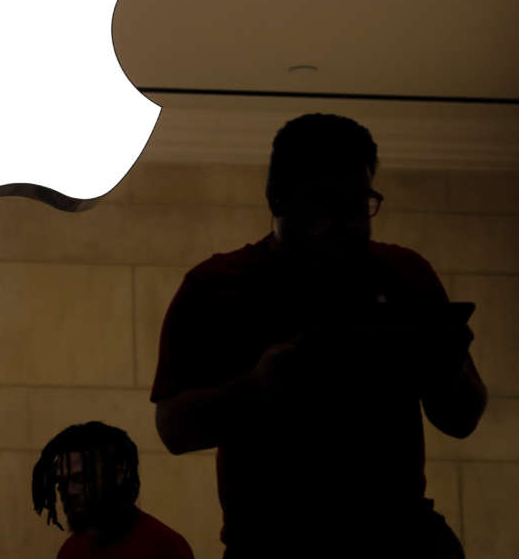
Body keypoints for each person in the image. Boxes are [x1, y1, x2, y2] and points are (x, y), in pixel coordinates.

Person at [151, 113, 487, 559]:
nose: (344, 226)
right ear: (276, 198)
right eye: (322, 206)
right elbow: (173, 429)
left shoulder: (405, 275)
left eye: (356, 205)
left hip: (398, 535)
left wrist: (441, 360)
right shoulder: (217, 288)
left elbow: (463, 415)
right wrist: (257, 389)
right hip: (275, 541)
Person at [33, 421, 195, 559]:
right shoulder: (72, 550)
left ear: (118, 475)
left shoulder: (163, 547)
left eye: (80, 479)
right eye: (62, 483)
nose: (69, 492)